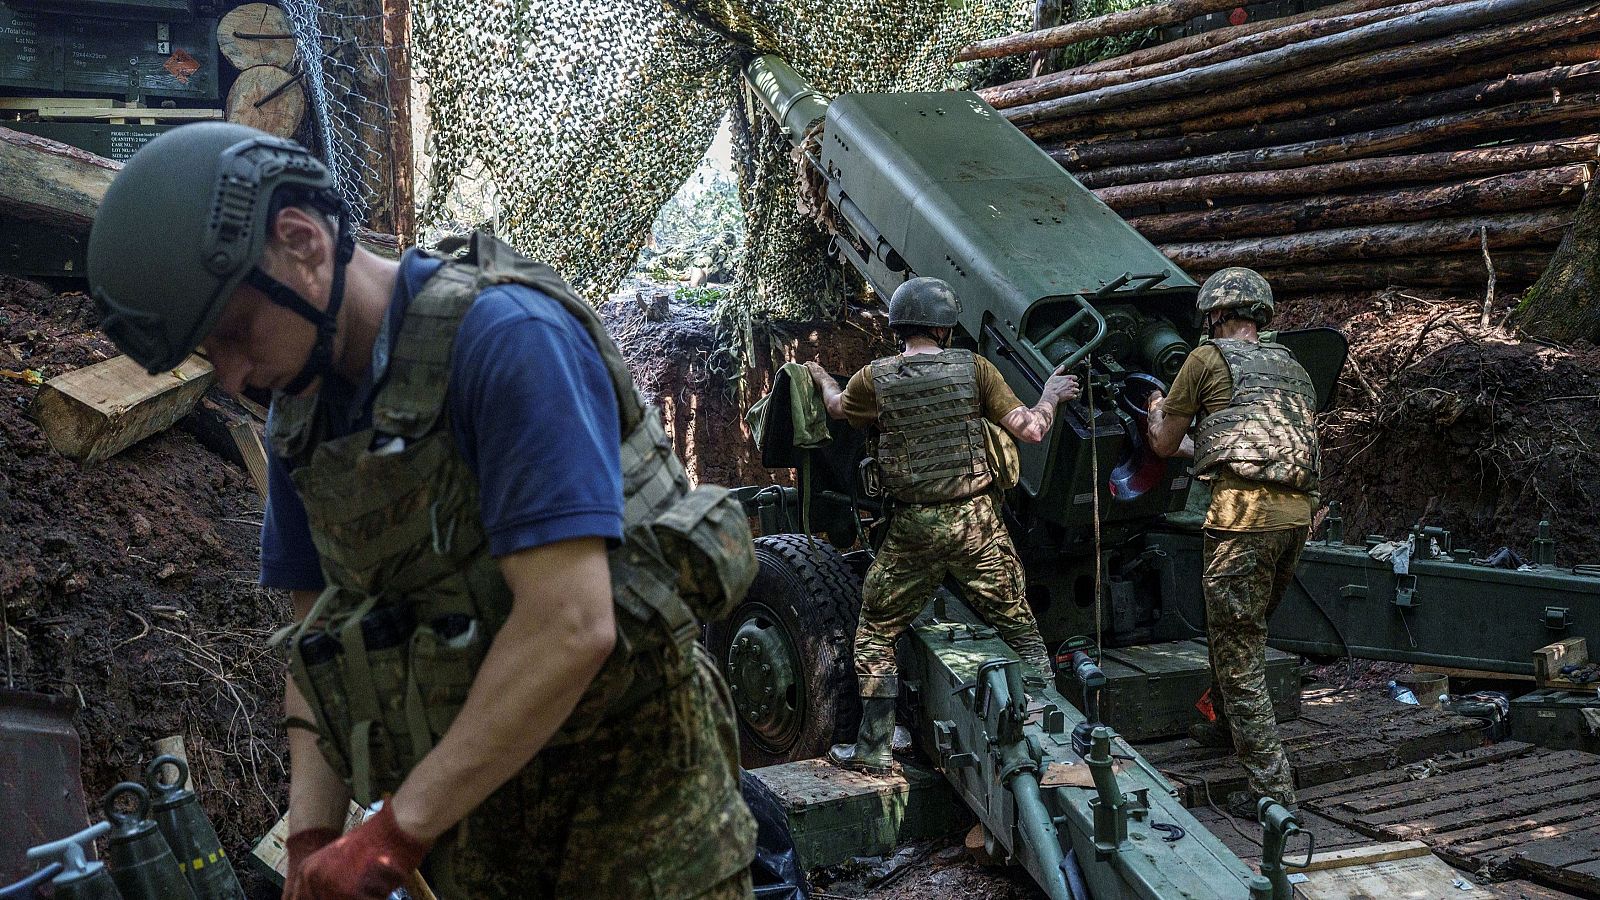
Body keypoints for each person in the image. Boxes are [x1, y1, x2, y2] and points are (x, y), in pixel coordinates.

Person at [86, 123, 757, 899]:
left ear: (302, 242)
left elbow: (572, 624)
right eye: (211, 355)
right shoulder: (300, 420)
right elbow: (320, 651)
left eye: (235, 333)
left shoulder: (505, 340)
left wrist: (387, 837)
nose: (233, 378)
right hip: (473, 826)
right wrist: (311, 841)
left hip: (641, 819)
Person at [804, 276, 1080, 774]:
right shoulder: (975, 369)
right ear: (945, 328)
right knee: (1018, 625)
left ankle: (875, 747)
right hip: (977, 522)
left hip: (913, 528)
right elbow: (1032, 430)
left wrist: (822, 376)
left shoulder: (876, 377)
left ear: (899, 328)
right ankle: (1047, 723)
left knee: (875, 631)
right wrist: (1051, 395)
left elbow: (838, 408)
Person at [1144, 267, 1320, 815]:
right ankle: (1223, 726)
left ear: (1215, 314)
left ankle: (1273, 794)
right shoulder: (1291, 364)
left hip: (1241, 520)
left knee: (1238, 651)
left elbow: (1166, 442)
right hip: (1295, 521)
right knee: (1242, 631)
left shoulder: (1204, 359)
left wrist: (1155, 408)